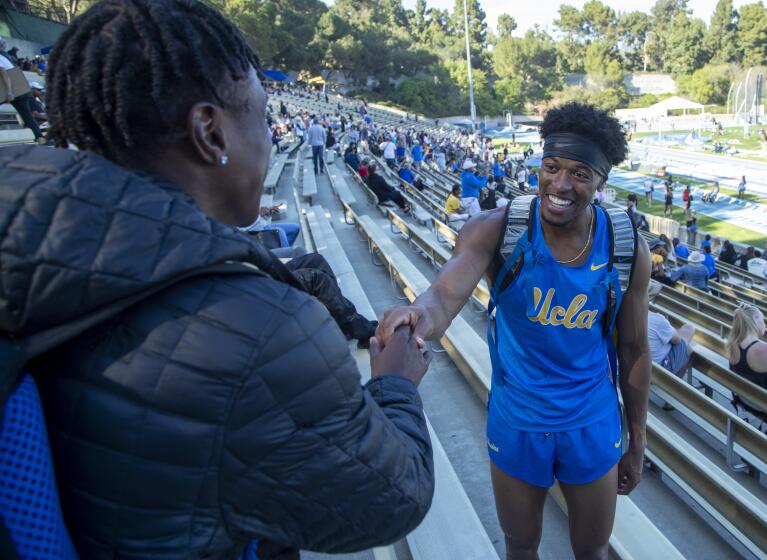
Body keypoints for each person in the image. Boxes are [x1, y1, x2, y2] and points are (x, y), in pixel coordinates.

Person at [4, 0, 435, 556]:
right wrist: (395, 382)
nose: (273, 138)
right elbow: (392, 499)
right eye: (258, 117)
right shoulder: (259, 334)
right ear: (210, 132)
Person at [376, 102, 651, 560]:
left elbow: (634, 347)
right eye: (551, 167)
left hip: (592, 418)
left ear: (602, 181)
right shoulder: (497, 230)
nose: (561, 185)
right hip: (518, 417)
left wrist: (638, 438)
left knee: (593, 548)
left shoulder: (624, 246)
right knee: (520, 547)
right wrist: (415, 315)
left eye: (580, 173)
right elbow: (443, 296)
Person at [727, 305, 767, 395]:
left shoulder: (733, 344)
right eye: (763, 319)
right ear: (755, 319)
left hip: (743, 399)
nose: (765, 324)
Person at [647, 282, 695, 378]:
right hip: (654, 369)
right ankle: (676, 384)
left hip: (632, 365)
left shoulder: (621, 314)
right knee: (689, 335)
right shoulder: (657, 320)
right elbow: (677, 340)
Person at [0, 37, 43, 141]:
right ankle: (40, 138)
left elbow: (4, 73)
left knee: (27, 114)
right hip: (21, 86)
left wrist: (9, 91)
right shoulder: (6, 56)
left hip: (13, 87)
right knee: (27, 115)